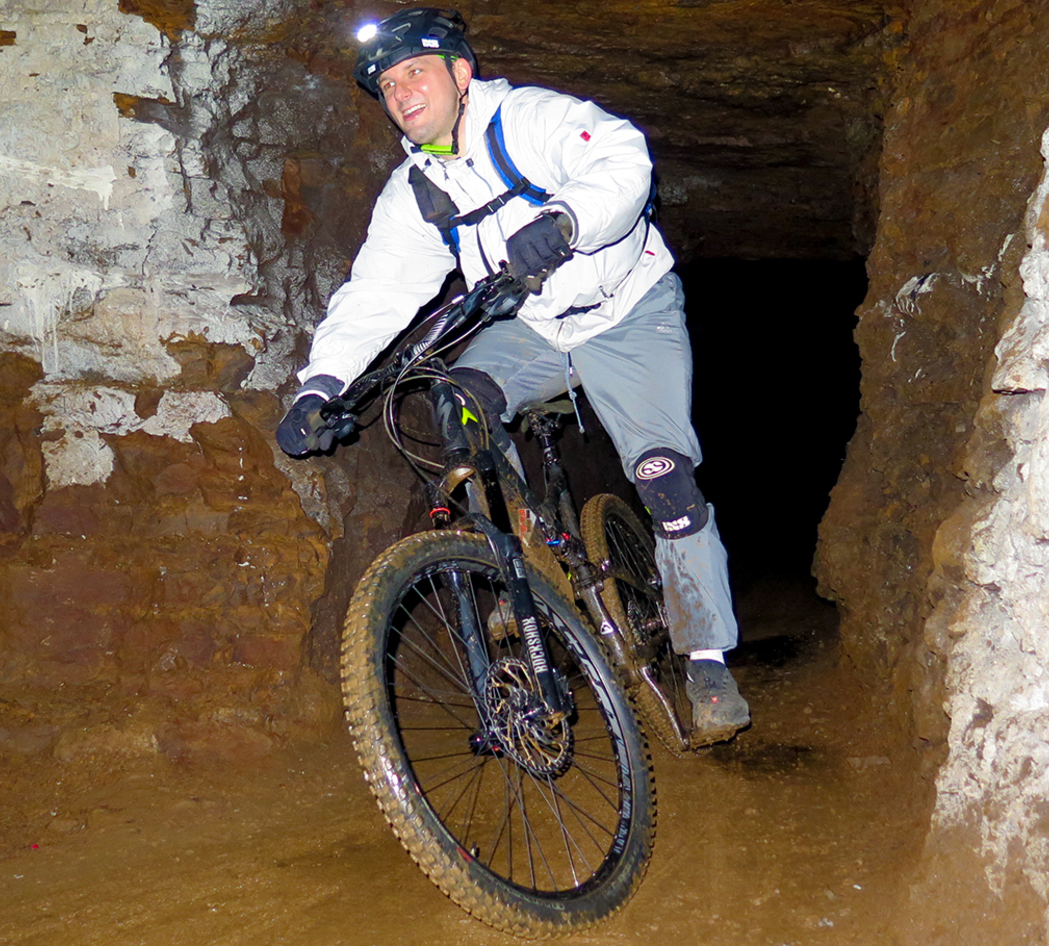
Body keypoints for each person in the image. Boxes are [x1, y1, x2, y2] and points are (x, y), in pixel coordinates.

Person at [275, 8, 749, 744]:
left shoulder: (527, 120)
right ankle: (515, 559)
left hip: (627, 311)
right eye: (388, 84)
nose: (401, 93)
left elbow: (622, 160)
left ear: (461, 75)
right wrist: (320, 386)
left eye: (415, 73)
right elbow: (376, 293)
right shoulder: (418, 193)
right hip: (533, 329)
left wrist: (564, 222)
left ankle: (708, 658)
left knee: (665, 477)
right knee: (455, 399)